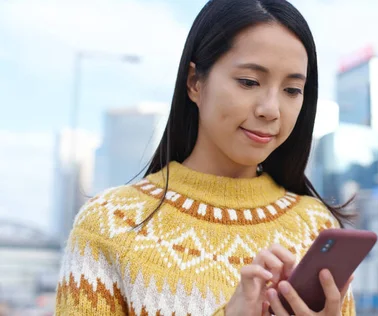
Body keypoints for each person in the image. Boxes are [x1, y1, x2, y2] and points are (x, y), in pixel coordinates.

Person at [55, 0, 356, 315]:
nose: (271, 109)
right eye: (249, 82)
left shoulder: (318, 229)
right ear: (195, 82)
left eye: (292, 90)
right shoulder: (109, 223)